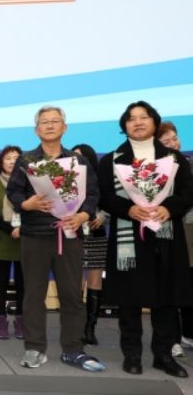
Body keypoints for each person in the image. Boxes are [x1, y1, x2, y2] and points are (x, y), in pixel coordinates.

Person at [6, 106, 104, 372]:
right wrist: (27, 204)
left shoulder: (78, 162)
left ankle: (73, 349)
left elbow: (93, 194)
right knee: (33, 294)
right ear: (36, 129)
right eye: (44, 122)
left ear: (64, 127)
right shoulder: (26, 160)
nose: (49, 125)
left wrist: (83, 215)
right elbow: (13, 192)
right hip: (35, 236)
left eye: (55, 121)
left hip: (69, 235)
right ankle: (34, 348)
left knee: (72, 294)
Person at [99, 102, 193, 377]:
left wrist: (169, 208)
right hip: (128, 236)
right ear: (124, 125)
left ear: (154, 122)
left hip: (166, 237)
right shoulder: (112, 160)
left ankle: (163, 355)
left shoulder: (174, 159)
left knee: (166, 299)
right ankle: (132, 354)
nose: (138, 122)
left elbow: (188, 193)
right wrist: (127, 208)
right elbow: (104, 195)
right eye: (131, 118)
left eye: (144, 117)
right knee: (129, 298)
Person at [156, 121, 193, 354]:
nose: (174, 143)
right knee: (174, 284)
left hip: (188, 229)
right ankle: (174, 337)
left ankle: (188, 333)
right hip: (174, 230)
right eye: (166, 141)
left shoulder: (187, 163)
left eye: (175, 138)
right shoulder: (155, 170)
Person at [0, 145, 24, 340]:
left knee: (23, 282)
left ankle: (21, 320)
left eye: (16, 158)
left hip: (24, 238)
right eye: (8, 158)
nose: (12, 161)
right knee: (0, 282)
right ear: (1, 162)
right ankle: (0, 320)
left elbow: (32, 209)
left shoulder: (29, 185)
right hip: (0, 237)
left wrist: (22, 229)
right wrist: (11, 229)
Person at [71, 144, 108, 346]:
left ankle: (90, 329)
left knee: (95, 280)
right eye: (74, 156)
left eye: (81, 157)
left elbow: (110, 203)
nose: (77, 160)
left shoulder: (100, 179)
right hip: (74, 233)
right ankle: (75, 327)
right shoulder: (67, 180)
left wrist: (103, 216)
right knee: (74, 281)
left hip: (96, 233)